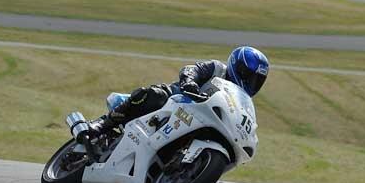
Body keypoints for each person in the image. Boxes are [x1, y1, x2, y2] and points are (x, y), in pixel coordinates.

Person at [89, 45, 269, 137]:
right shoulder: (216, 68)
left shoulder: (240, 100)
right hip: (176, 101)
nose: (250, 83)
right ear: (237, 66)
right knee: (153, 95)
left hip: (198, 122)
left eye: (256, 81)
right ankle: (104, 122)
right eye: (248, 75)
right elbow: (192, 69)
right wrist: (190, 82)